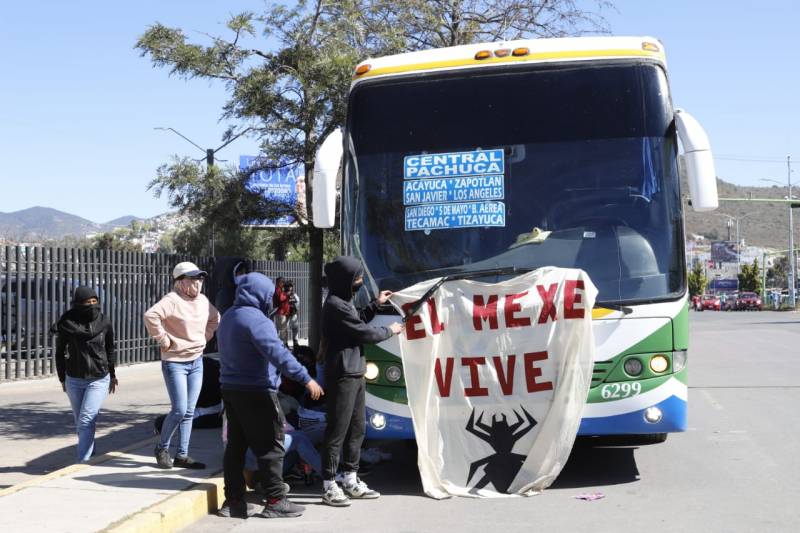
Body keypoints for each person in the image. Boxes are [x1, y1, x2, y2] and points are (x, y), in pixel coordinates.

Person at [216, 272, 324, 519]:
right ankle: (276, 500)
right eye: (269, 295)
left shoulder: (230, 316)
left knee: (235, 448)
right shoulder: (257, 320)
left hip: (231, 391)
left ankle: (233, 502)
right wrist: (306, 379)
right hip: (258, 392)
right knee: (271, 447)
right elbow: (279, 355)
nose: (272, 300)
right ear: (260, 294)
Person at [320, 256, 403, 507]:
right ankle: (329, 484)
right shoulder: (335, 305)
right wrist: (391, 330)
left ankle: (350, 478)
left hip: (355, 371)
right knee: (338, 430)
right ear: (345, 280)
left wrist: (376, 305)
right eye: (357, 278)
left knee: (357, 429)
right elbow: (363, 332)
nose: (360, 282)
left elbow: (357, 320)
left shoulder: (344, 303)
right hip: (343, 374)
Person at [144, 261, 220, 470]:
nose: (198, 283)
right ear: (180, 282)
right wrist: (164, 340)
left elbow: (215, 318)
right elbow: (151, 316)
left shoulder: (203, 301)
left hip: (196, 361)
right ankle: (162, 448)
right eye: (193, 278)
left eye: (200, 278)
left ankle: (183, 455)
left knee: (189, 411)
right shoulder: (172, 300)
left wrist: (205, 336)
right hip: (174, 362)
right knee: (179, 409)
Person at [55, 286, 118, 463]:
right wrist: (62, 378)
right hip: (74, 379)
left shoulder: (104, 321)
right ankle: (92, 453)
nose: (91, 305)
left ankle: (82, 462)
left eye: (94, 301)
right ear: (77, 304)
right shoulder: (68, 323)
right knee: (81, 423)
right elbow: (59, 352)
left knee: (86, 420)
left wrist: (112, 374)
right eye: (86, 302)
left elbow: (110, 349)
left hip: (98, 378)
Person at [272, 277, 291, 346]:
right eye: (282, 282)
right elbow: (281, 298)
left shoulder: (280, 289)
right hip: (281, 312)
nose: (283, 283)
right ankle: (283, 345)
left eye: (283, 282)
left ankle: (283, 344)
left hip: (284, 312)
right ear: (278, 282)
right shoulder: (277, 289)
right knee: (282, 330)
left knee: (283, 329)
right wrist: (287, 294)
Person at [285, 281, 300, 349]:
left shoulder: (293, 294)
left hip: (293, 314)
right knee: (285, 330)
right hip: (287, 315)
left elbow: (297, 303)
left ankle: (295, 342)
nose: (292, 287)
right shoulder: (285, 294)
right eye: (290, 286)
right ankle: (285, 343)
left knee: (295, 328)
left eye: (291, 286)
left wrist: (297, 311)